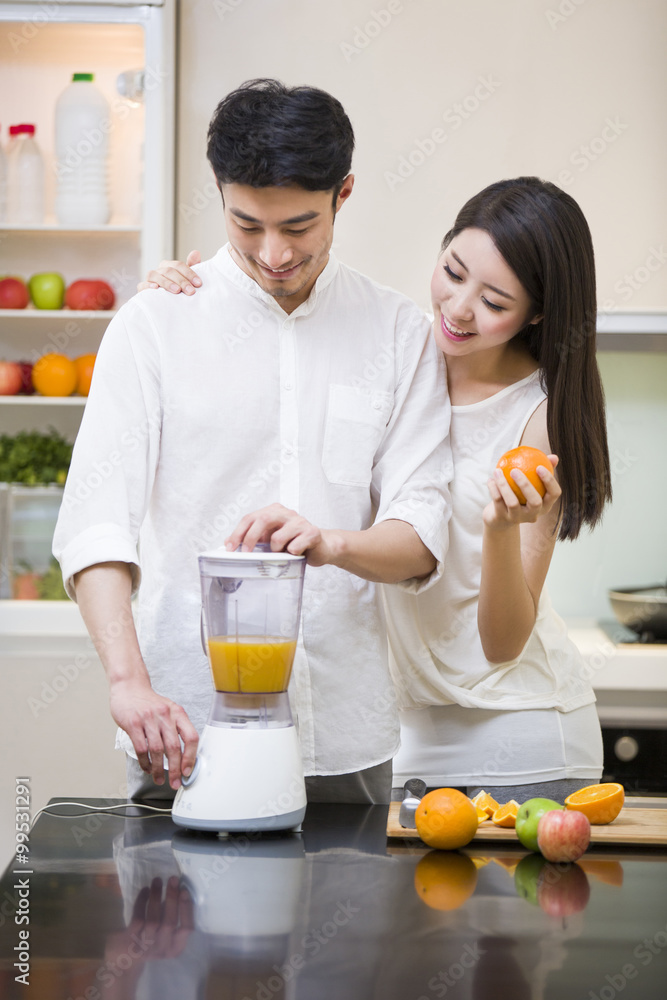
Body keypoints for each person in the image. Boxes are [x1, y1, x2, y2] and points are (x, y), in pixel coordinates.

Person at [53, 79, 452, 805]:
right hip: (182, 729)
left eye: (297, 226)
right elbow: (94, 525)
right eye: (246, 225)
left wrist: (328, 543)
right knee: (174, 918)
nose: (272, 253)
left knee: (362, 921)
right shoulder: (155, 327)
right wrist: (128, 684)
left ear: (344, 193)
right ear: (219, 193)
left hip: (344, 738)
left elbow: (420, 536)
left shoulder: (397, 334)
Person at [153, 176, 611, 804]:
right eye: (453, 272)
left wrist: (499, 530)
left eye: (495, 302)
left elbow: (504, 645)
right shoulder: (392, 346)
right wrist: (186, 294)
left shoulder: (536, 417)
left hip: (522, 736)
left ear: (536, 313)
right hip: (400, 736)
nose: (457, 309)